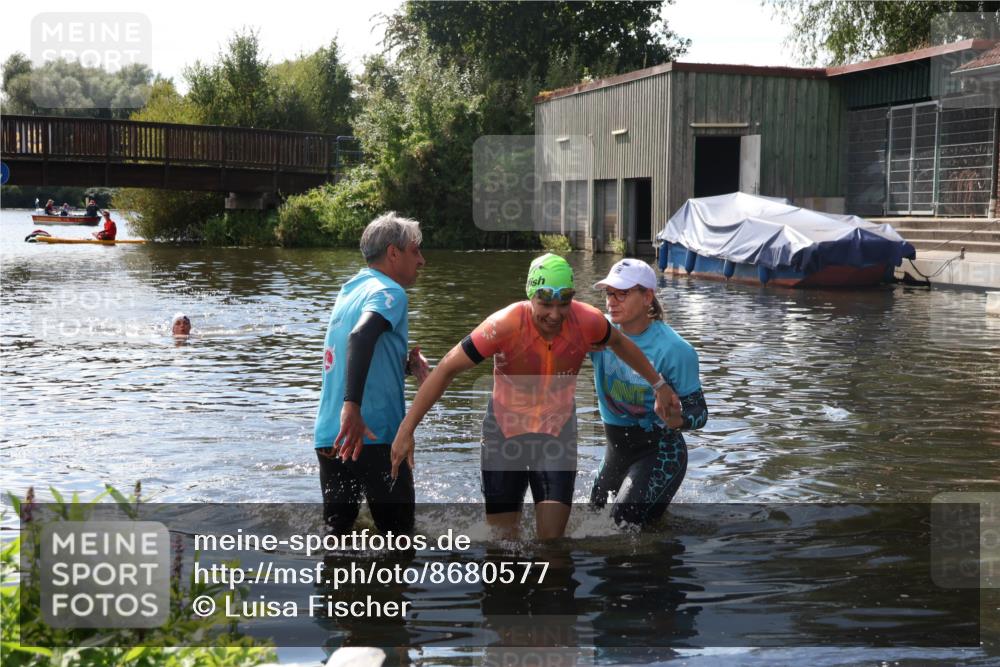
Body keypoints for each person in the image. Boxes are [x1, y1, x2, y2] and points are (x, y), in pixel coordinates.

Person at [390, 253, 682, 540]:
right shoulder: (503, 325)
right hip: (504, 436)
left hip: (556, 438)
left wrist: (659, 384)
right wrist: (406, 429)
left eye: (563, 304)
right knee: (502, 541)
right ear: (530, 296)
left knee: (552, 545)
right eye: (545, 304)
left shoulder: (587, 321)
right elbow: (445, 370)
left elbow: (621, 343)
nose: (555, 315)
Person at [315, 212, 429, 538]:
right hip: (373, 433)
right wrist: (352, 407)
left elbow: (354, 348)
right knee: (400, 540)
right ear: (394, 253)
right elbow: (360, 337)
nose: (421, 260)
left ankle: (337, 589)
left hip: (330, 436)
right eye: (415, 250)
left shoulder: (349, 290)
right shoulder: (391, 292)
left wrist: (402, 365)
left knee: (337, 537)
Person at [589, 259, 708, 528]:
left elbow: (700, 412)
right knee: (590, 519)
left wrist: (678, 420)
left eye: (622, 293)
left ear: (647, 297)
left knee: (623, 527)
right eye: (609, 293)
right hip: (616, 450)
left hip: (659, 452)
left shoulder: (676, 350)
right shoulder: (597, 333)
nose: (612, 301)